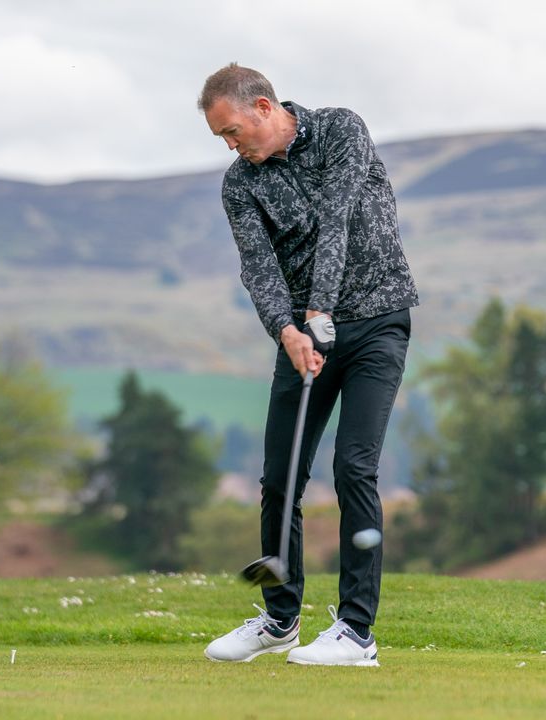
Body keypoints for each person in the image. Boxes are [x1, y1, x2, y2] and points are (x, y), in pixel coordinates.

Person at [198, 64, 419, 666]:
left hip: (376, 321)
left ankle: (356, 633)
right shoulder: (239, 184)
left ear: (265, 107)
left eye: (233, 130)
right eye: (221, 138)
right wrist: (288, 329)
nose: (231, 144)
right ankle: (279, 619)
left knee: (354, 467)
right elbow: (259, 268)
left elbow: (337, 224)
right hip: (305, 338)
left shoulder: (341, 130)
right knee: (279, 476)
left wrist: (318, 307)